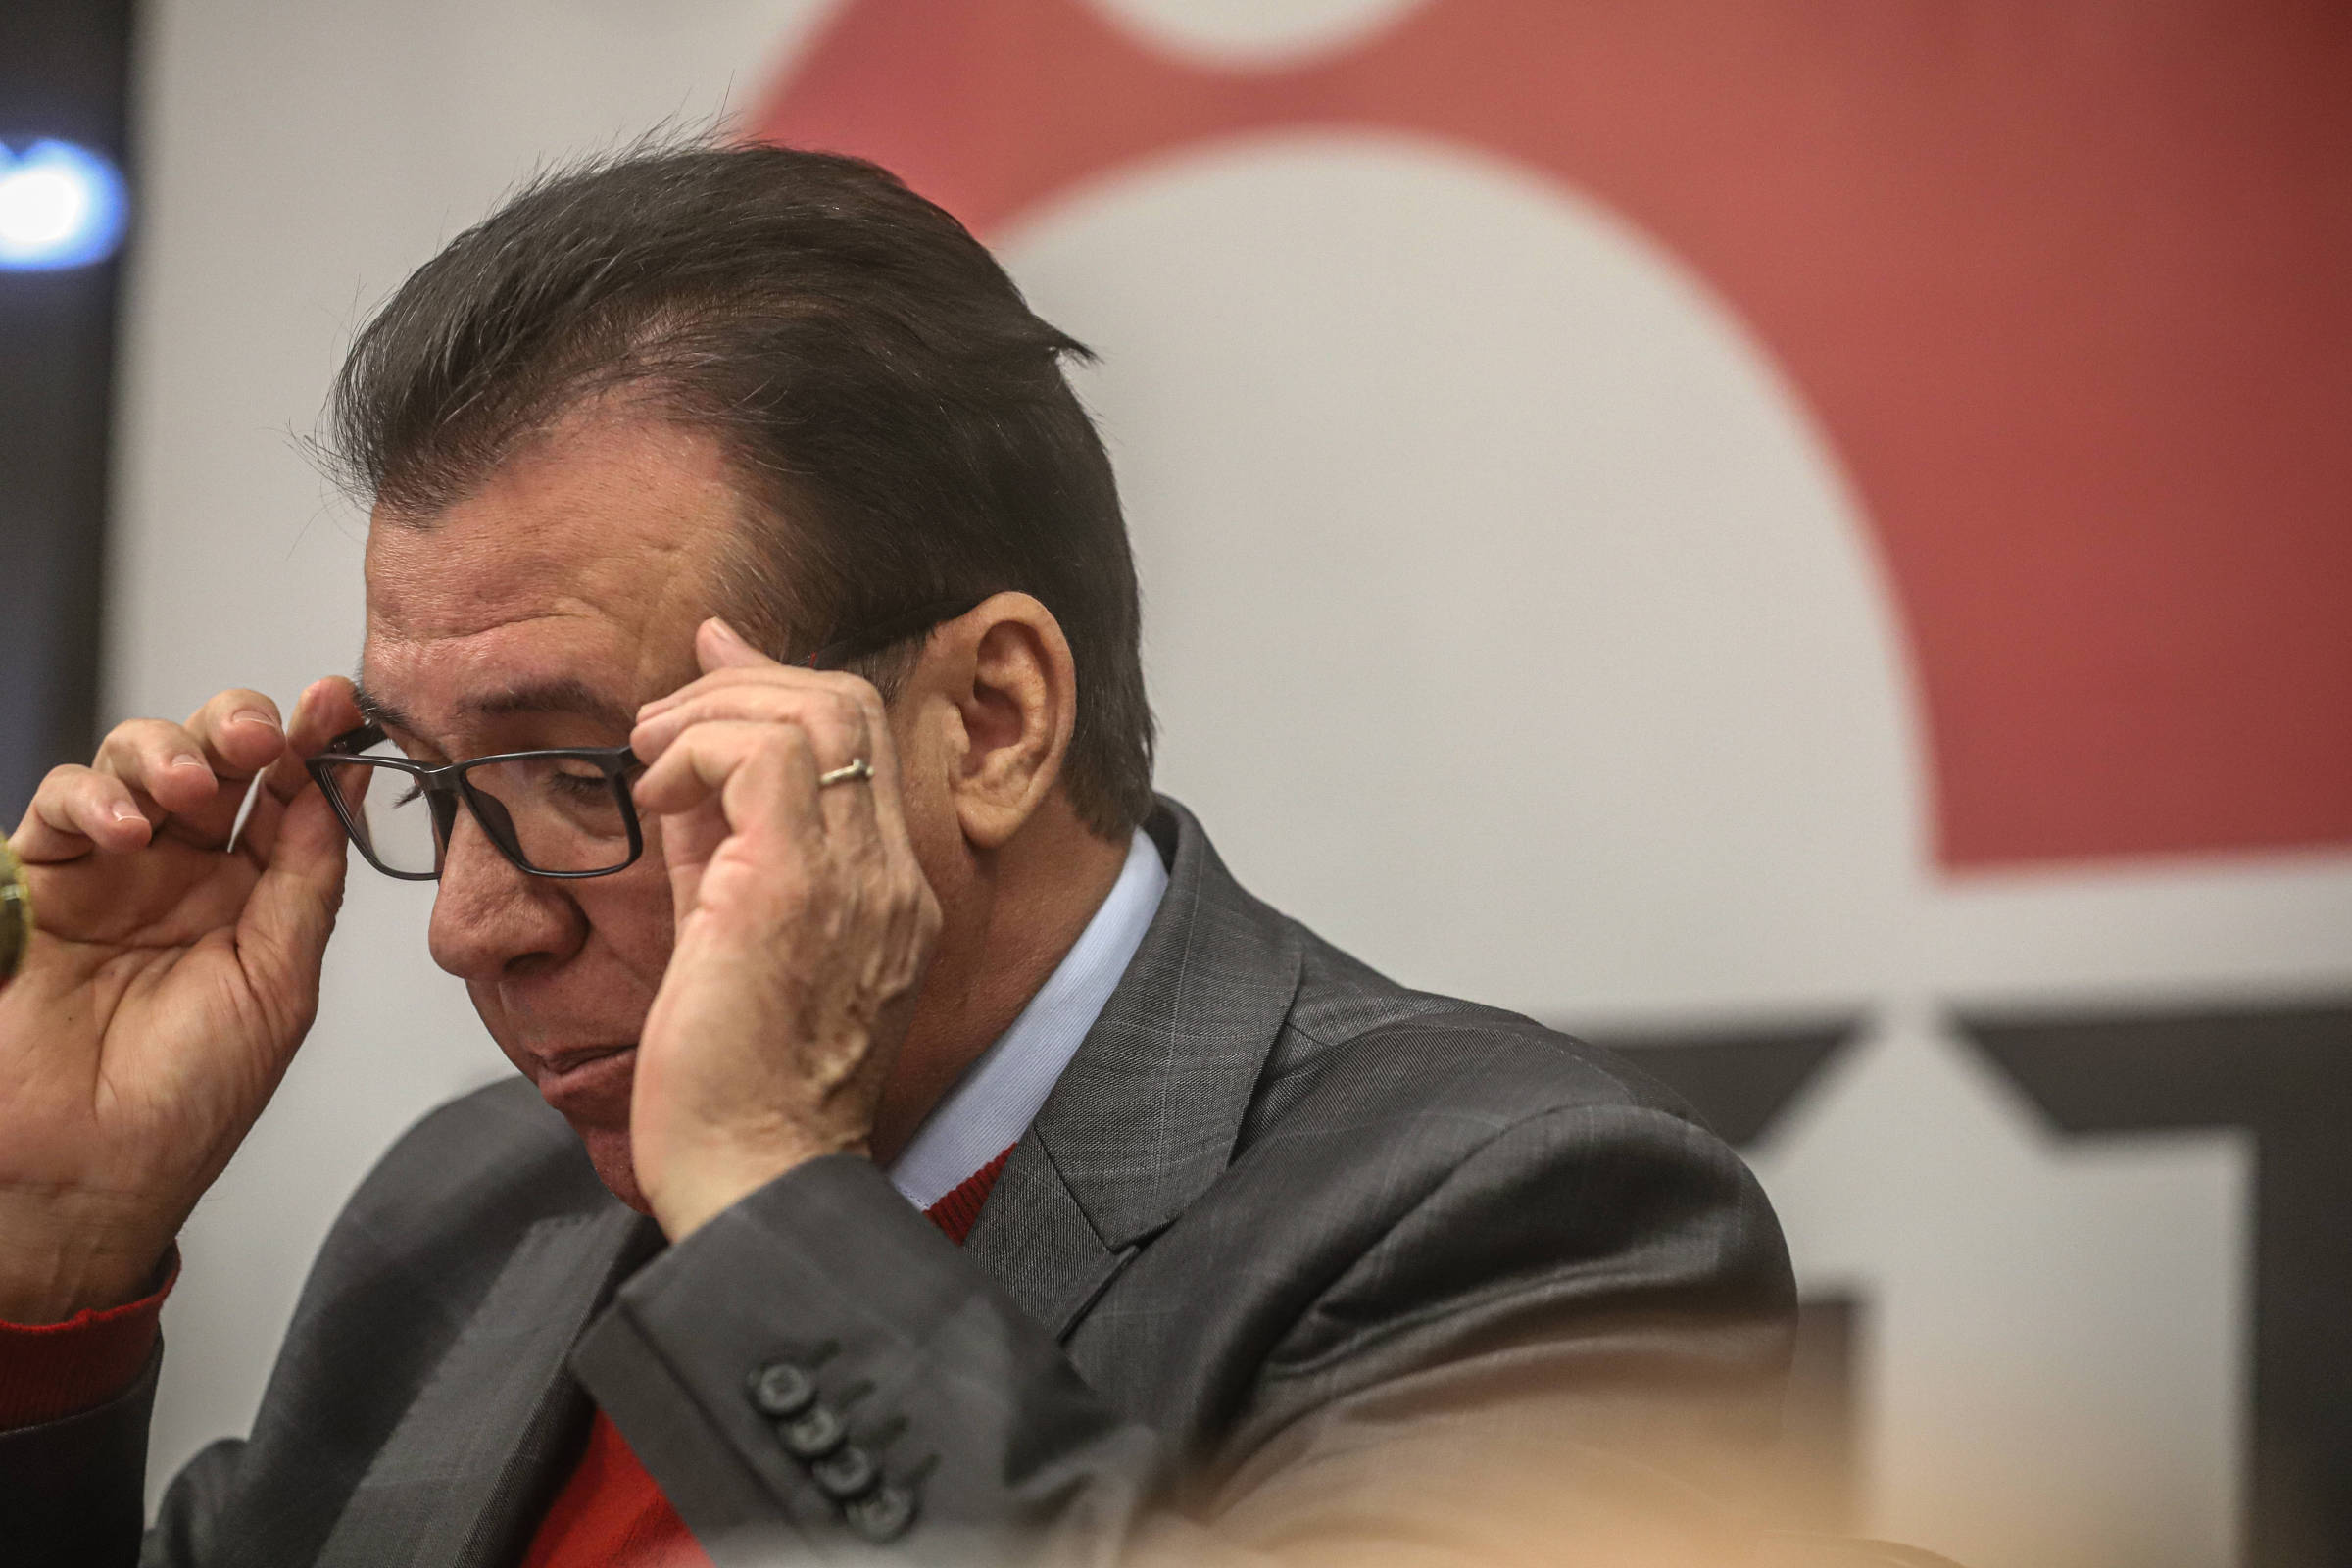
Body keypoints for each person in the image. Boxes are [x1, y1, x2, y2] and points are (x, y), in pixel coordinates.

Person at [0, 142, 1793, 1567]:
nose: (471, 927)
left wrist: (769, 1200)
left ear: (989, 721)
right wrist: (50, 1280)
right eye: (423, 778)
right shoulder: (466, 1213)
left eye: (574, 768)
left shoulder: (1507, 1222)